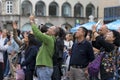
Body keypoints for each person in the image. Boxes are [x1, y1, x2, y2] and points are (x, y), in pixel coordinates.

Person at [30, 15, 60, 80]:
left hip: (45, 67)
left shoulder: (49, 39)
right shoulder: (49, 39)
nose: (48, 29)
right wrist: (34, 23)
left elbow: (38, 34)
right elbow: (38, 35)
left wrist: (32, 22)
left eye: (50, 28)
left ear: (53, 32)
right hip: (43, 67)